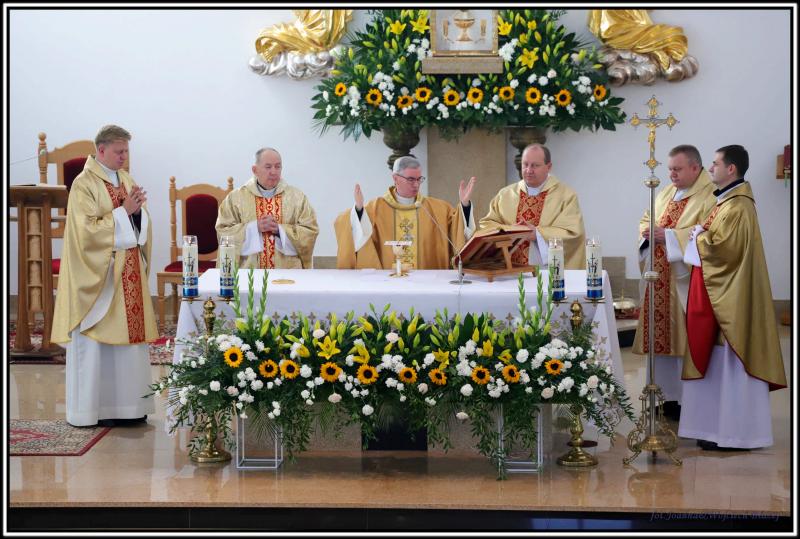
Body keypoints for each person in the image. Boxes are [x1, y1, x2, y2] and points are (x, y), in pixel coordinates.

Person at [680, 144, 787, 450]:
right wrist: (701, 235)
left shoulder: (738, 206)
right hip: (721, 295)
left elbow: (725, 253)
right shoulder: (726, 202)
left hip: (732, 302)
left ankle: (736, 435)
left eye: (715, 163)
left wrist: (699, 238)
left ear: (731, 169)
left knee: (731, 366)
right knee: (718, 366)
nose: (710, 168)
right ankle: (716, 429)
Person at [51, 125, 156, 427]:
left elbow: (140, 222)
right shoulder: (83, 184)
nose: (124, 157)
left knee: (129, 345)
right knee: (98, 343)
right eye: (119, 151)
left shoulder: (126, 179)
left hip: (128, 271)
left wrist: (137, 213)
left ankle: (131, 407)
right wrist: (125, 212)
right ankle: (95, 410)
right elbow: (85, 233)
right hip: (100, 278)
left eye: (126, 151)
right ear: (101, 150)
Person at [631, 145, 716, 420]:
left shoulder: (710, 195)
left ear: (695, 167)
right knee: (660, 341)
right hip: (658, 277)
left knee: (683, 340)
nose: (672, 175)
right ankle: (663, 397)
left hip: (685, 281)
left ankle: (685, 400)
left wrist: (667, 236)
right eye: (670, 169)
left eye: (677, 169)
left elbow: (707, 232)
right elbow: (647, 218)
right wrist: (647, 232)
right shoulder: (666, 192)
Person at [334, 156, 476, 269]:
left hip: (427, 282)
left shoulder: (437, 208)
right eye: (410, 179)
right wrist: (358, 210)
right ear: (395, 178)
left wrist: (464, 205)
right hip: (388, 284)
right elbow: (348, 225)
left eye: (419, 179)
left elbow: (457, 231)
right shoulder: (376, 208)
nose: (416, 184)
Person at [480, 143, 586, 269]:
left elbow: (573, 235)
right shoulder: (505, 195)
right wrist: (508, 231)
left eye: (535, 165)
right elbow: (487, 225)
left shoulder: (566, 196)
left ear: (548, 167)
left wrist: (537, 235)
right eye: (525, 164)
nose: (529, 170)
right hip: (508, 272)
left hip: (547, 273)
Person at [216, 148, 319, 269]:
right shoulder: (235, 198)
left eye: (278, 166)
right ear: (255, 170)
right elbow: (223, 232)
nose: (274, 172)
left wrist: (280, 230)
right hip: (249, 273)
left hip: (287, 273)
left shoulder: (297, 197)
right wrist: (254, 228)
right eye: (268, 167)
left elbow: (310, 232)